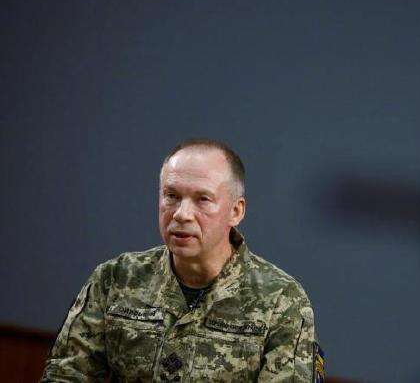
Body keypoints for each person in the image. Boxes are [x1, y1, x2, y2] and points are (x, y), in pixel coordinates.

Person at [41, 138, 325, 382]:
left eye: (202, 199)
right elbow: (65, 375)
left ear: (236, 212)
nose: (181, 214)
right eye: (172, 196)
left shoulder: (280, 300)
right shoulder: (115, 279)